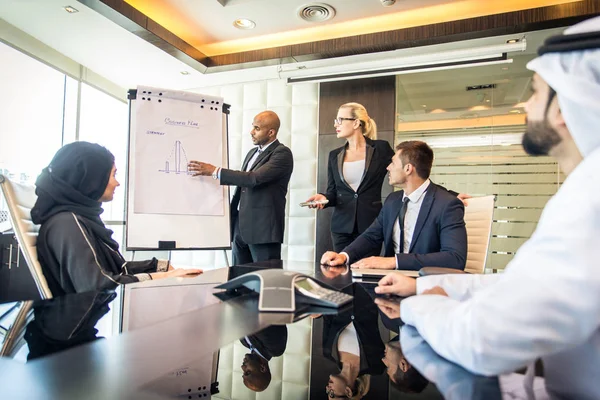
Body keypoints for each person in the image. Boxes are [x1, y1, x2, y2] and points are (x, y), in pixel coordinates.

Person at [375, 17, 600, 398]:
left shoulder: (589, 200)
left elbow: (481, 342)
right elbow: (520, 288)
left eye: (536, 91)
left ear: (561, 106)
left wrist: (419, 304)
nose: (526, 104)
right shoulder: (584, 189)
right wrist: (423, 284)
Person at [31, 142, 202, 296]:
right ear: (92, 179)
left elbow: (115, 268)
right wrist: (164, 276)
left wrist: (160, 266)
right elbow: (97, 286)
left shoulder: (80, 218)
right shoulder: (67, 223)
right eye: (113, 175)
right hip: (79, 326)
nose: (117, 183)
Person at [321, 140, 467, 271]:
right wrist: (344, 256)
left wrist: (394, 262)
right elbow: (371, 236)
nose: (388, 168)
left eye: (393, 163)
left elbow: (455, 258)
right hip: (389, 282)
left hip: (425, 285)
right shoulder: (393, 200)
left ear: (408, 169)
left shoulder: (447, 205)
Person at [188, 111, 293, 266]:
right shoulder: (252, 153)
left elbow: (253, 179)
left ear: (271, 132)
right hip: (241, 228)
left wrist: (216, 171)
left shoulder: (282, 153)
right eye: (252, 127)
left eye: (257, 128)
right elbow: (243, 187)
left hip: (263, 230)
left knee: (264, 280)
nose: (251, 132)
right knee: (239, 280)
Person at [305, 102, 395, 253]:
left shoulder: (380, 148)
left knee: (367, 271)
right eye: (335, 120)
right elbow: (333, 192)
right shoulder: (334, 155)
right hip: (341, 228)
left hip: (370, 225)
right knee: (341, 272)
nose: (335, 124)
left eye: (340, 120)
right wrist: (323, 198)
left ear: (356, 123)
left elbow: (399, 169)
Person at [240, 325, 288, 392]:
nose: (242, 367)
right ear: (263, 368)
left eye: (243, 372)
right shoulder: (275, 349)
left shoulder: (244, 342)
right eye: (248, 372)